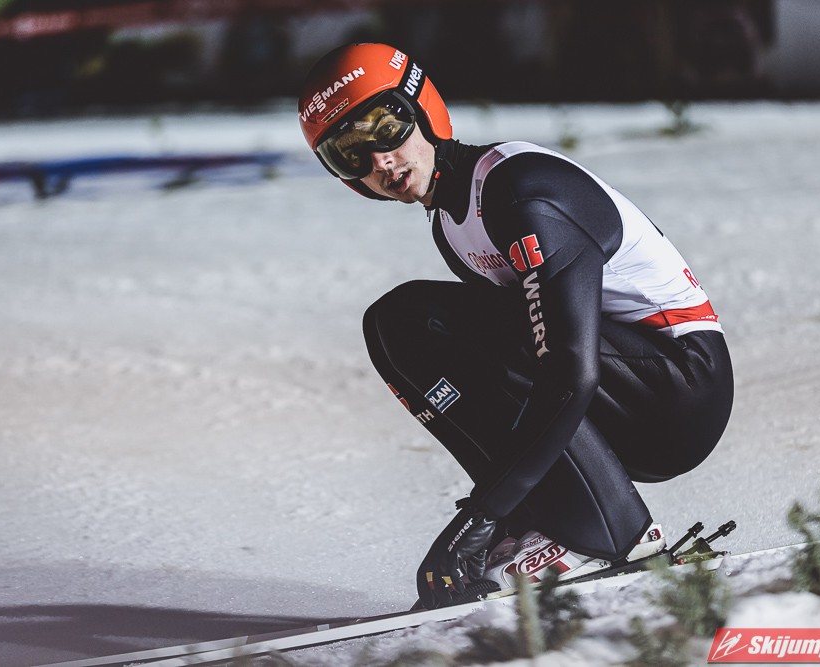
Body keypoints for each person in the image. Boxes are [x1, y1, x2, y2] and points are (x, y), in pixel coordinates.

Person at [298, 43, 734, 610]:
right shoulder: (451, 225)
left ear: (423, 106)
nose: (380, 160)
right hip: (620, 391)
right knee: (392, 329)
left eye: (387, 127)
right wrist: (502, 513)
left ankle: (610, 534)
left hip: (683, 390)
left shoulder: (519, 189)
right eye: (350, 153)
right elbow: (517, 378)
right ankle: (549, 522)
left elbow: (567, 370)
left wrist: (482, 514)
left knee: (423, 320)